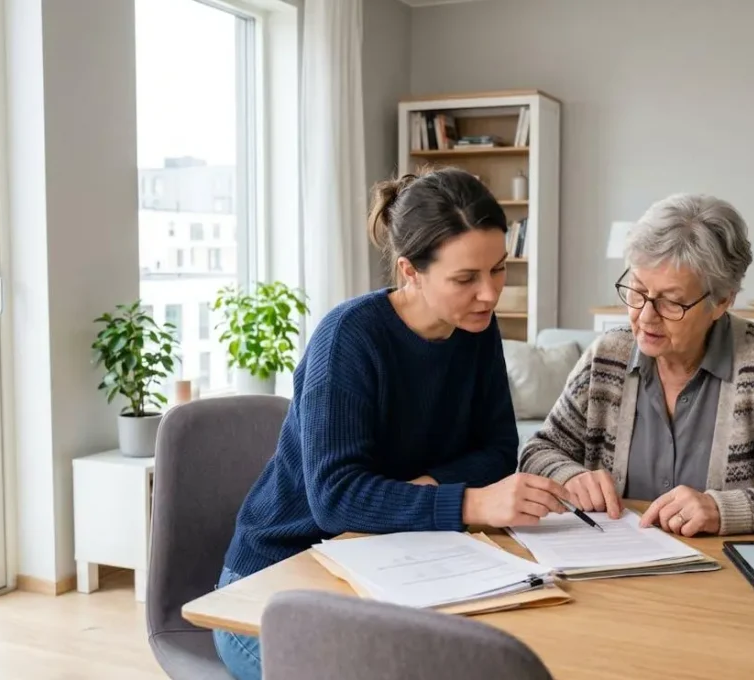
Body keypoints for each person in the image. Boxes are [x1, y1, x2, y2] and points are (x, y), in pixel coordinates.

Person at [214, 167, 570, 680]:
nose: (490, 294)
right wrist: (468, 500)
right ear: (410, 271)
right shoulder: (349, 339)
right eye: (465, 278)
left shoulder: (476, 330)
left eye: (498, 269)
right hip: (277, 583)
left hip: (391, 559)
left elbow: (496, 450)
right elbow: (336, 500)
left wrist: (417, 491)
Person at [519, 193, 754, 537]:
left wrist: (723, 510)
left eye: (672, 302)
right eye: (637, 291)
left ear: (721, 301)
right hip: (617, 579)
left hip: (729, 583)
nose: (645, 316)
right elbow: (538, 452)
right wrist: (569, 475)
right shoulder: (607, 357)